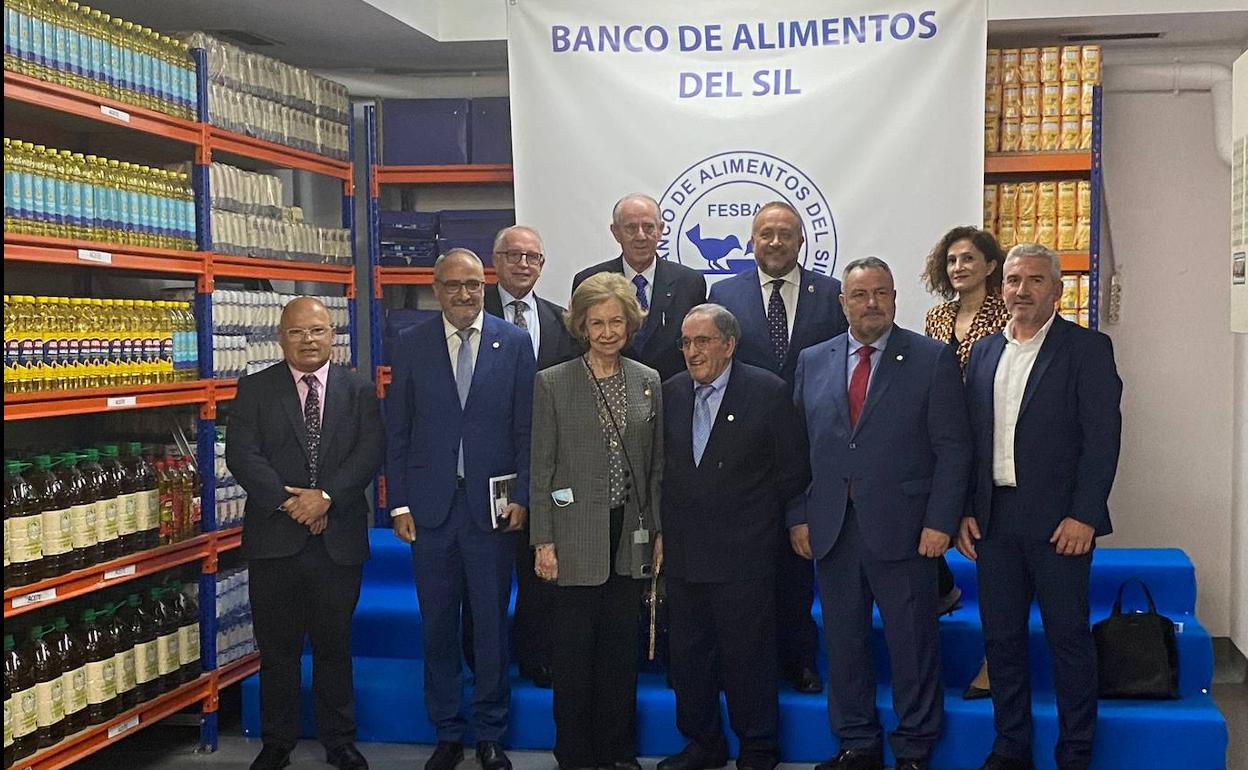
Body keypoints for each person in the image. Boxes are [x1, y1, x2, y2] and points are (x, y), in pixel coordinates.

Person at [789, 257, 972, 770]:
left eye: (882, 293)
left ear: (894, 298)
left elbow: (953, 448)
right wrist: (797, 515)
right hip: (832, 528)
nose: (872, 303)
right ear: (841, 302)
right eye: (860, 294)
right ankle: (857, 744)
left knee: (913, 645)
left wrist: (940, 521)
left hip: (907, 529)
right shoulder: (813, 360)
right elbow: (796, 449)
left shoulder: (931, 358)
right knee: (844, 646)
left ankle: (914, 748)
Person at [958, 244, 1122, 770]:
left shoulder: (1087, 349)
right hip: (994, 521)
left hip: (1060, 525)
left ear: (1056, 289)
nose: (1021, 290)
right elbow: (970, 439)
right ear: (1000, 287)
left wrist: (1085, 514)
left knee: (1067, 640)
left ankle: (1075, 752)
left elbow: (1103, 440)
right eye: (1012, 280)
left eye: (1034, 280)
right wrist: (964, 509)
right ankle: (1011, 748)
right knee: (1001, 642)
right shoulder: (984, 352)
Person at [385, 249, 536, 770]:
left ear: (485, 285)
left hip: (491, 513)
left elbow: (526, 429)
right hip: (429, 511)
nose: (465, 294)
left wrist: (524, 496)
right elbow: (397, 431)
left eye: (473, 284)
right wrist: (398, 501)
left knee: (492, 625)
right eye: (454, 285)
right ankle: (447, 731)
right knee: (438, 624)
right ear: (435, 288)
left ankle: (491, 732)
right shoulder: (410, 346)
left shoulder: (514, 343)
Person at [227, 296, 384, 770]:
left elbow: (369, 451)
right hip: (275, 539)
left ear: (331, 334)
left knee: (335, 646)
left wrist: (326, 498)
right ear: (281, 337)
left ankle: (340, 740)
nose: (308, 340)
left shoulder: (358, 390)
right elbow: (242, 455)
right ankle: (277, 743)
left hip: (337, 541)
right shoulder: (255, 389)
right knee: (278, 650)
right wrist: (292, 503)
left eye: (316, 330)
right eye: (297, 332)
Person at [658, 304, 810, 770]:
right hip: (684, 553)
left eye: (702, 341)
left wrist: (791, 525)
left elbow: (792, 472)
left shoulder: (768, 392)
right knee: (688, 657)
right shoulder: (670, 393)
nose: (691, 351)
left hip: (747, 552)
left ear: (729, 344)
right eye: (685, 342)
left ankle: (758, 748)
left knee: (749, 657)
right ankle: (703, 743)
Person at [707, 200, 847, 694]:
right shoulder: (723, 292)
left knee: (796, 563)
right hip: (745, 449)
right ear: (751, 240)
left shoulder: (831, 294)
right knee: (747, 565)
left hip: (810, 448)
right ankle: (746, 661)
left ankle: (800, 660)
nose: (775, 242)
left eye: (786, 234)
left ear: (801, 240)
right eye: (765, 233)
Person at [529, 272, 665, 770]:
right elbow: (541, 468)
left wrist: (657, 532)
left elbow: (655, 468)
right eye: (596, 323)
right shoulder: (553, 383)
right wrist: (543, 540)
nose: (607, 331)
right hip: (572, 537)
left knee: (619, 656)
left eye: (616, 321)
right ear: (581, 326)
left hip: (629, 536)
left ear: (629, 323)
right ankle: (575, 754)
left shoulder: (648, 381)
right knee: (573, 657)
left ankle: (618, 752)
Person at [479, 224, 582, 688]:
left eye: (532, 257)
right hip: (490, 467)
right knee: (487, 575)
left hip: (552, 466)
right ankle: (482, 658)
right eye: (513, 255)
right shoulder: (470, 315)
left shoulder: (563, 320)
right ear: (495, 262)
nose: (523, 264)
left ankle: (536, 655)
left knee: (543, 568)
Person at [920, 225, 1011, 699]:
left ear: (991, 266)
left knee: (994, 558)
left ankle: (995, 665)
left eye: (969, 259)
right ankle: (943, 589)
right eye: (952, 260)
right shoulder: (937, 317)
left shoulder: (1005, 313)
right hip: (943, 441)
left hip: (992, 440)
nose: (959, 267)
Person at [572, 193, 707, 381]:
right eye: (631, 228)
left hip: (672, 397)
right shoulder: (589, 281)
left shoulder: (690, 283)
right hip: (607, 395)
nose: (641, 236)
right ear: (615, 232)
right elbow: (580, 345)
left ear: (660, 230)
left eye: (649, 227)